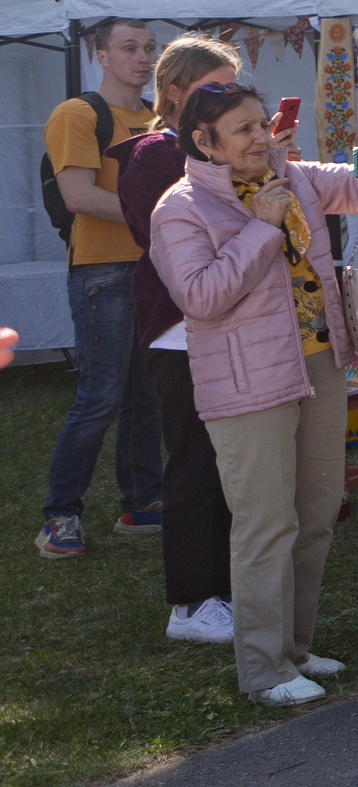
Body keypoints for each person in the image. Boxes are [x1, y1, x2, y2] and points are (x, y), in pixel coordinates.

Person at [152, 83, 358, 705]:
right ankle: (264, 670)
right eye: (243, 129)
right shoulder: (180, 208)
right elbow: (200, 298)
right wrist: (261, 229)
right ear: (203, 141)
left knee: (317, 512)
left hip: (322, 365)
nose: (261, 138)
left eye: (261, 125)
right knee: (265, 523)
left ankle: (295, 652)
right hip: (248, 383)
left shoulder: (293, 173)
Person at [111, 37, 245, 643]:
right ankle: (190, 604)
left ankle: (220, 590)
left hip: (224, 324)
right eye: (212, 89)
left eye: (231, 88)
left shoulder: (213, 150)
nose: (225, 100)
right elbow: (168, 239)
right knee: (194, 463)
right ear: (174, 92)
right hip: (178, 331)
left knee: (227, 465)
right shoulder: (154, 157)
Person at [38, 18, 165, 558]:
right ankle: (59, 517)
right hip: (101, 272)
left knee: (147, 396)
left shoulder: (159, 118)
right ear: (100, 54)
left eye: (150, 48)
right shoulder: (78, 113)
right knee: (99, 397)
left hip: (154, 270)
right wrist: (164, 217)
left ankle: (141, 503)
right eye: (129, 48)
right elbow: (78, 196)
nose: (143, 57)